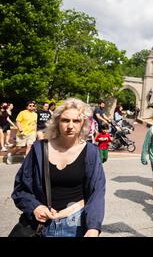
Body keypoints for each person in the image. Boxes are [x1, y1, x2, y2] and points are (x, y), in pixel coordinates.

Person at [11, 98, 106, 237]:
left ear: (83, 124)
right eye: (65, 120)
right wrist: (35, 207)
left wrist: (93, 227)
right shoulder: (39, 149)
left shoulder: (91, 152)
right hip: (40, 225)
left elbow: (97, 192)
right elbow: (20, 188)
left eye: (76, 121)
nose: (70, 126)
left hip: (75, 224)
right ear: (57, 122)